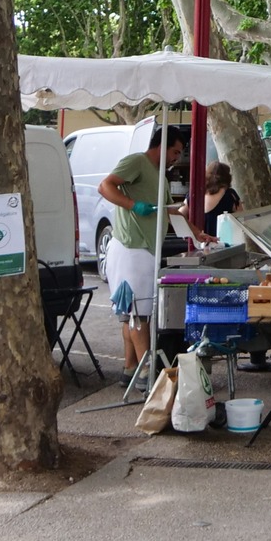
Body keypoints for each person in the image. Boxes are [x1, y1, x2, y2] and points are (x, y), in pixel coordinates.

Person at [97, 122, 187, 374]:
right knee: (138, 312)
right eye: (175, 152)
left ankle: (130, 368)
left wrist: (197, 231)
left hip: (148, 249)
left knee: (131, 312)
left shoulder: (161, 177)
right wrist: (132, 204)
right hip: (131, 247)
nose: (176, 158)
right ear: (162, 146)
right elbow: (105, 186)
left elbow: (173, 211)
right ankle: (146, 372)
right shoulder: (136, 162)